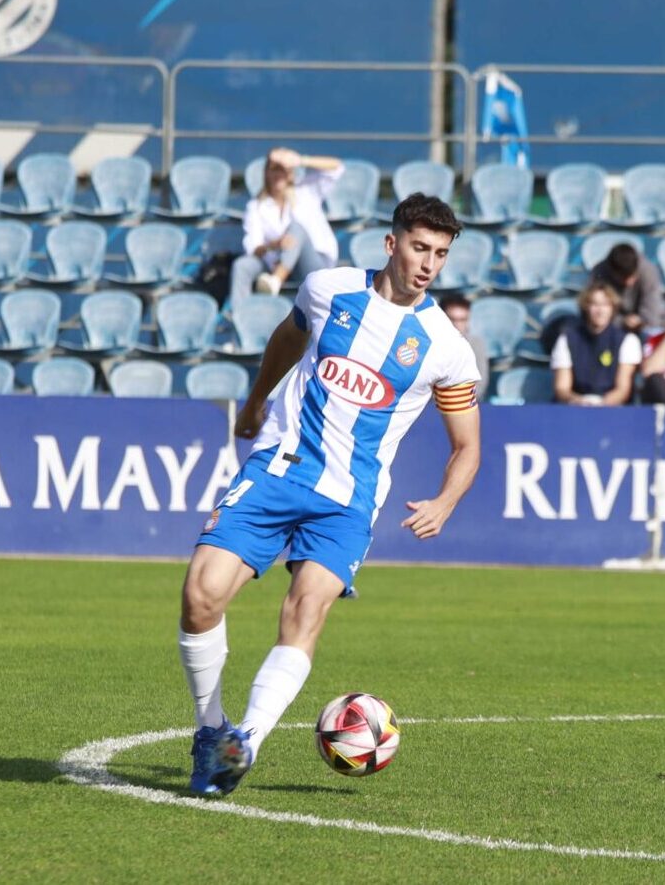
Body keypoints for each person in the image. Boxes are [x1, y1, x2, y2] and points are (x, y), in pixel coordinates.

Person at [175, 193, 483, 797]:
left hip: (349, 499)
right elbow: (286, 341)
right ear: (391, 244)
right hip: (278, 469)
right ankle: (211, 729)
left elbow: (467, 445)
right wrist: (257, 400)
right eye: (419, 247)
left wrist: (445, 501)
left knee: (306, 607)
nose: (429, 264)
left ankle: (246, 743)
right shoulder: (327, 289)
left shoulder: (445, 346)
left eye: (441, 254)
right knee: (200, 595)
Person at [231, 147, 344, 307]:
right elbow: (252, 247)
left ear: (291, 173)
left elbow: (337, 168)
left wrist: (301, 160)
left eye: (283, 170)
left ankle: (276, 280)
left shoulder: (306, 191)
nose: (279, 175)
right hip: (273, 261)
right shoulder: (256, 206)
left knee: (296, 228)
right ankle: (240, 315)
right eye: (274, 169)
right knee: (242, 265)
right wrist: (275, 245)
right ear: (266, 173)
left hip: (313, 264)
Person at [550, 281, 642, 406]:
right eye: (595, 304)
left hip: (612, 409)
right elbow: (562, 388)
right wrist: (579, 401)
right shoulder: (566, 339)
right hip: (575, 408)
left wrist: (601, 405)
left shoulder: (628, 341)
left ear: (612, 308)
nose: (600, 311)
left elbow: (623, 390)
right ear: (586, 307)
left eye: (605, 305)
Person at [586, 243, 665, 337]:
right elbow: (590, 310)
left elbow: (652, 312)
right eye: (624, 278)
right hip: (611, 325)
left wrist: (640, 321)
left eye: (633, 276)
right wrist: (622, 321)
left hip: (644, 325)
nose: (630, 283)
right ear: (612, 272)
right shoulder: (599, 274)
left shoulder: (648, 272)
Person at [439, 293, 492, 387]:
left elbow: (480, 382)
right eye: (452, 319)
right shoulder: (427, 344)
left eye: (462, 320)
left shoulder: (476, 344)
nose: (457, 325)